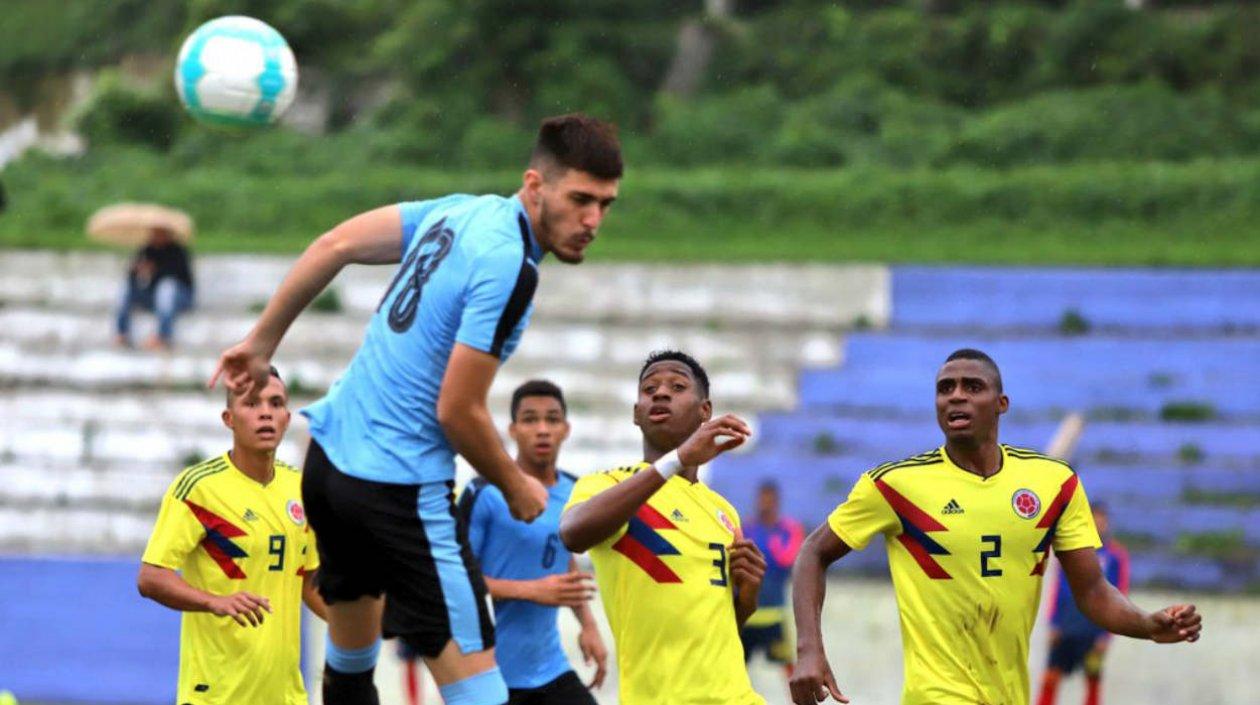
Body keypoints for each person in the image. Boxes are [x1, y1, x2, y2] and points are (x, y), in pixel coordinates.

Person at [209, 114, 622, 705]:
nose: (592, 220)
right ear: (536, 186)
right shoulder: (512, 267)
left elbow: (337, 244)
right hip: (400, 490)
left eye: (605, 204)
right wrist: (515, 484)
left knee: (351, 662)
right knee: (481, 694)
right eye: (580, 199)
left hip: (329, 464)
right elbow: (459, 410)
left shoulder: (463, 210)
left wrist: (261, 342)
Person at [790, 348, 1202, 705]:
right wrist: (810, 649)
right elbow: (813, 552)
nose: (956, 397)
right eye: (945, 388)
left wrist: (1147, 625)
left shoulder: (1053, 483)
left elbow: (1092, 590)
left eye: (972, 387)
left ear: (1001, 403)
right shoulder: (895, 486)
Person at [560, 350, 767, 705]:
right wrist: (679, 459)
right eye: (649, 388)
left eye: (677, 386)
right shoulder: (607, 485)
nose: (660, 393)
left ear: (705, 411)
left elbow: (719, 629)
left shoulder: (723, 511)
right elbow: (573, 534)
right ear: (636, 414)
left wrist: (747, 598)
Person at [138, 366, 327, 705]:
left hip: (287, 696)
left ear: (286, 417)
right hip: (217, 695)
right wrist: (214, 602)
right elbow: (151, 578)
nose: (265, 413)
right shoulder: (199, 488)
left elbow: (308, 581)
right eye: (252, 404)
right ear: (229, 418)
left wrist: (368, 627)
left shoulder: (299, 487)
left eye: (275, 403)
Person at [454, 380, 607, 705]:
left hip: (551, 669)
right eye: (530, 419)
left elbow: (560, 555)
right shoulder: (485, 492)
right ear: (512, 430)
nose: (542, 429)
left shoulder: (574, 491)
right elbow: (455, 579)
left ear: (566, 429)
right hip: (489, 676)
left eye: (552, 420)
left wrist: (589, 625)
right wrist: (533, 590)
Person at [1036, 503, 1131, 705]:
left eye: (1101, 520)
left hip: (1094, 630)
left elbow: (1120, 594)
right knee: (1050, 678)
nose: (1098, 524)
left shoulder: (1116, 556)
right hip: (1067, 627)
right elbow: (1058, 588)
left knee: (1093, 680)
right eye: (1093, 519)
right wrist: (1054, 623)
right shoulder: (1072, 549)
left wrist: (1108, 634)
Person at [741, 480, 804, 679]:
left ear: (776, 502)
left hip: (774, 614)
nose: (764, 504)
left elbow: (788, 560)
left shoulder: (789, 529)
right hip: (746, 616)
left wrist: (772, 547)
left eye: (769, 500)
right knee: (736, 671)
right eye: (762, 499)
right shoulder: (746, 528)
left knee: (790, 671)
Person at [115, 225, 195, 350]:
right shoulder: (146, 250)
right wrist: (136, 270)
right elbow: (133, 278)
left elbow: (177, 276)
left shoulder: (178, 252)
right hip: (152, 295)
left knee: (166, 287)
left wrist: (155, 270)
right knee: (125, 288)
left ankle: (163, 335)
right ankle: (122, 332)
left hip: (179, 297)